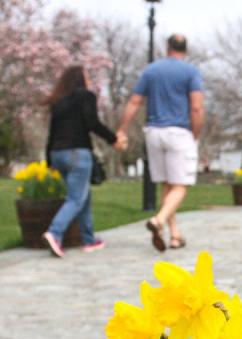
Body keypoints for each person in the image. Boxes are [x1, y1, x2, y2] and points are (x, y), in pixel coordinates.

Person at [116, 34, 205, 251]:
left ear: (167, 47)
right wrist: (196, 133)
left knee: (167, 184)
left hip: (154, 132)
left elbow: (135, 101)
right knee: (181, 185)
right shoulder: (190, 72)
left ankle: (174, 235)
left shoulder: (151, 71)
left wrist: (122, 129)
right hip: (179, 132)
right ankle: (159, 220)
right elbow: (196, 107)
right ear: (185, 49)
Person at [41, 66, 119, 258]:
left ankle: (89, 239)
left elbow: (52, 133)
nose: (89, 80)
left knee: (83, 196)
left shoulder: (58, 101)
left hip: (58, 154)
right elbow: (92, 123)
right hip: (77, 152)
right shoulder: (86, 96)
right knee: (76, 198)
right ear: (80, 79)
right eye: (87, 77)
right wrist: (113, 139)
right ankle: (55, 232)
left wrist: (49, 158)